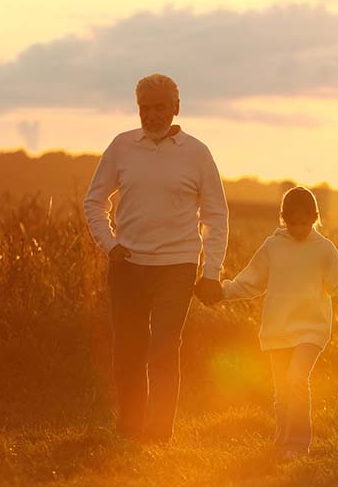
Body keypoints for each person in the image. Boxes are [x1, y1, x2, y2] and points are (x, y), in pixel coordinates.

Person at [84, 73, 229, 443]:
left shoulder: (197, 153)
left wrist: (210, 270)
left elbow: (215, 214)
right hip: (128, 262)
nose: (150, 115)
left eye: (159, 107)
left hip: (177, 265)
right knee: (127, 350)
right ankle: (131, 426)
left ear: (176, 108)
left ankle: (159, 432)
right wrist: (109, 244)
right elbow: (94, 201)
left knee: (164, 347)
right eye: (144, 108)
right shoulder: (121, 147)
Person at [218, 186, 338, 459]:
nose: (298, 228)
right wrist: (222, 291)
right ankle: (282, 442)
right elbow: (250, 282)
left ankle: (298, 443)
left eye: (305, 222)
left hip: (312, 329)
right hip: (277, 329)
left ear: (315, 217)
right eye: (292, 222)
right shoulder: (273, 246)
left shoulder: (324, 249)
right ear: (283, 219)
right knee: (281, 390)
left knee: (297, 378)